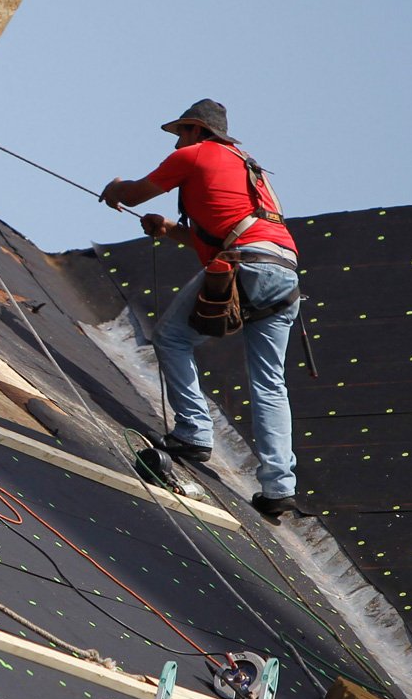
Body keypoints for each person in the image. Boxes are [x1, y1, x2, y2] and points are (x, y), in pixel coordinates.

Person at [99, 100, 304, 521]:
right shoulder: (249, 168)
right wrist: (169, 228)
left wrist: (116, 189)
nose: (176, 140)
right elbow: (221, 233)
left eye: (180, 131)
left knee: (171, 337)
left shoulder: (193, 154)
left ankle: (193, 433)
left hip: (246, 263)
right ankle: (279, 489)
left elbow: (136, 193)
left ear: (195, 129)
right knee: (270, 383)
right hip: (283, 273)